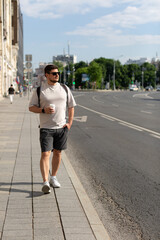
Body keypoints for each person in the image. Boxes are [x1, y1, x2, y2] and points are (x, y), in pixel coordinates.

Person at [29, 64, 76, 194]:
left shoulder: (64, 88)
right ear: (47, 75)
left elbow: (71, 106)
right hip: (46, 128)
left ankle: (53, 177)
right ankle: (45, 182)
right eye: (54, 73)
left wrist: (69, 123)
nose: (57, 75)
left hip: (61, 127)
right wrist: (43, 110)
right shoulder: (40, 90)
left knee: (58, 153)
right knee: (45, 153)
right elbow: (31, 107)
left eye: (58, 73)